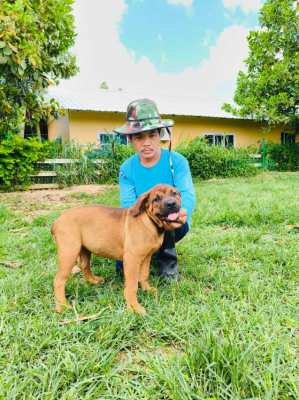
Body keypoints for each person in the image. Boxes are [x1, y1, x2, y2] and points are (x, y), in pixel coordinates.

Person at [113, 98, 196, 280]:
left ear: (160, 135)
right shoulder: (127, 168)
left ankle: (166, 261)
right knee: (123, 269)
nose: (146, 143)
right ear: (130, 139)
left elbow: (187, 193)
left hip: (172, 220)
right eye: (139, 137)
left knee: (170, 217)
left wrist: (183, 212)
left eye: (152, 135)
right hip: (141, 223)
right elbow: (129, 206)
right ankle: (141, 251)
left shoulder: (178, 162)